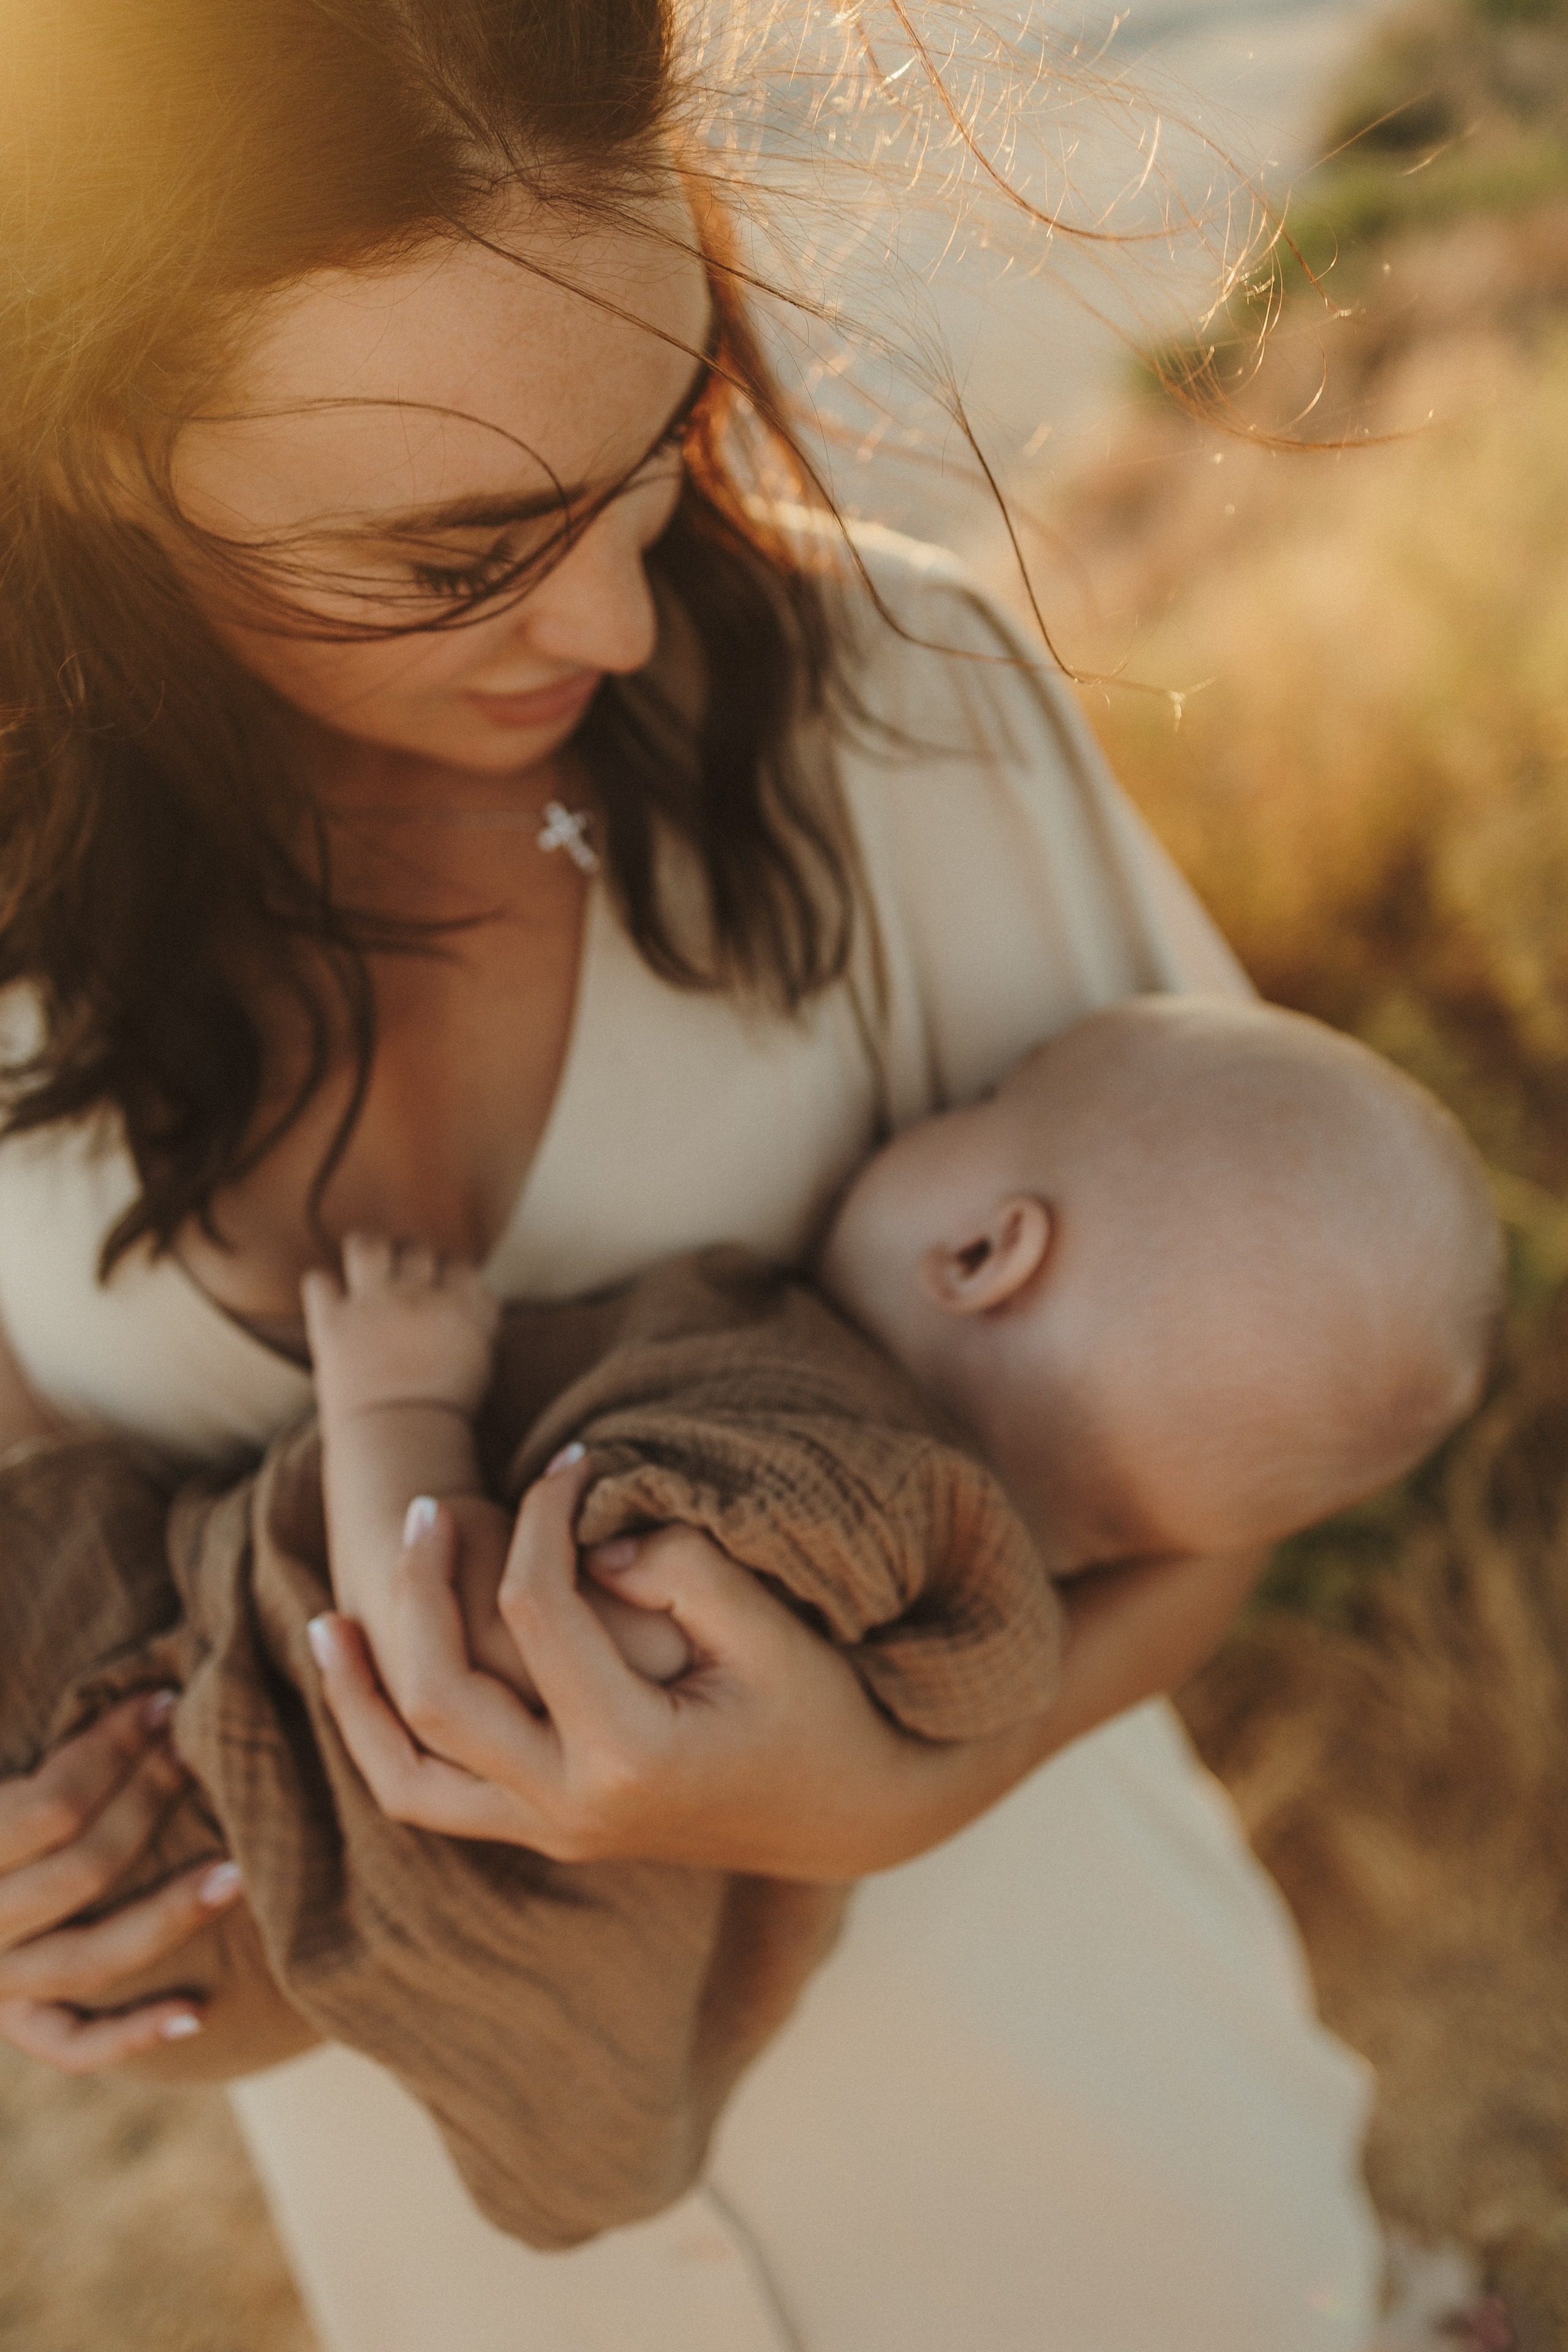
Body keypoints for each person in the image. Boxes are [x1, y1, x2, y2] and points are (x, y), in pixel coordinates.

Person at [0, 3, 1411, 2346]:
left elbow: (1235, 1457)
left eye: (653, 447)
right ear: (102, 447)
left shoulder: (907, 710)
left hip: (1103, 2196)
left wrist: (882, 1793)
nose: (619, 618)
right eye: (462, 549)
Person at [304, 995, 1502, 1727]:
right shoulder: (957, 1579)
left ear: (981, 1253)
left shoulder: (828, 1506)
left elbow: (477, 1665)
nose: (927, 1107)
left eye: (981, 1100)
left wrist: (395, 1406)